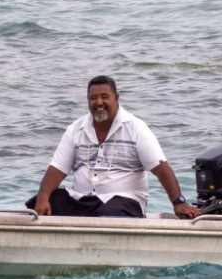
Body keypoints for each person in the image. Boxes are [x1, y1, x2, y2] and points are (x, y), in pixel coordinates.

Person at [26, 75, 200, 219]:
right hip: (82, 200)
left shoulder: (135, 127)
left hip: (124, 201)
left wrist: (178, 202)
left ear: (117, 98)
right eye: (93, 98)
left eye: (104, 97)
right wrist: (43, 197)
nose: (99, 102)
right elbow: (57, 169)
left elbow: (161, 169)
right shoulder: (75, 129)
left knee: (111, 215)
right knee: (38, 205)